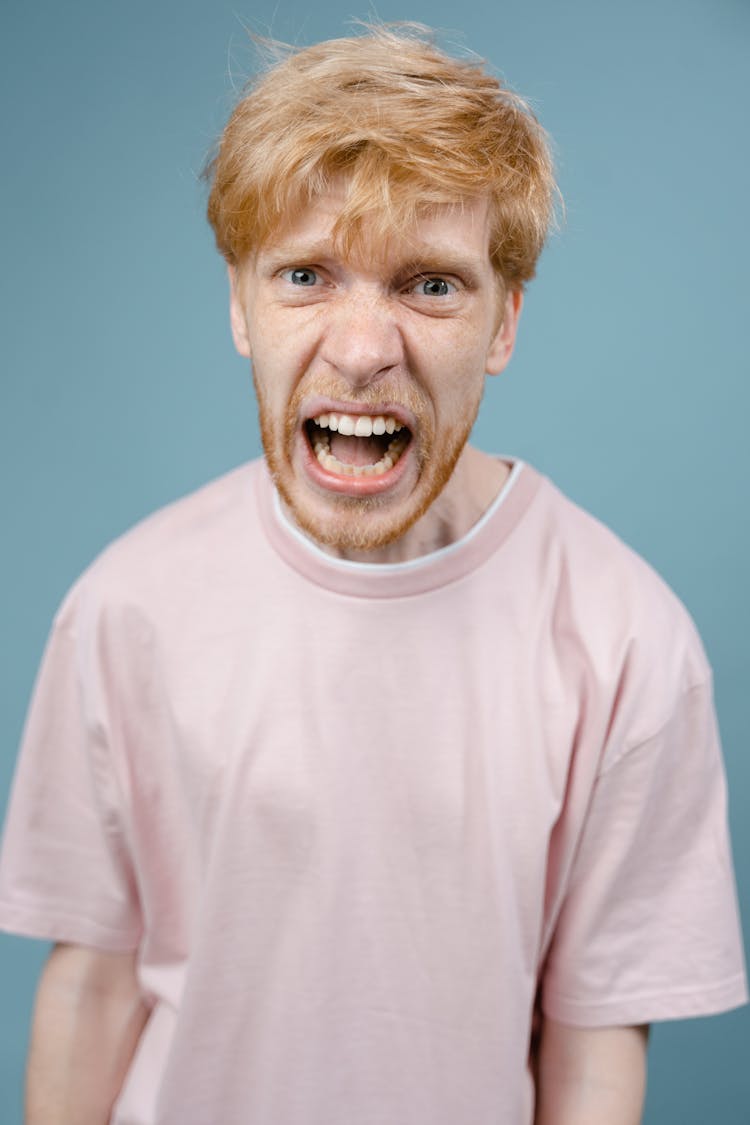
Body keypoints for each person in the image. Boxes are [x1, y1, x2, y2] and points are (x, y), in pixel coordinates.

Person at [0, 23, 746, 1125]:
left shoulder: (626, 637)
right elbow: (94, 980)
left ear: (505, 323)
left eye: (431, 286)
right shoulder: (127, 606)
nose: (361, 348)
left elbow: (592, 1046)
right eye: (304, 274)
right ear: (239, 304)